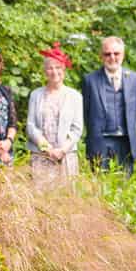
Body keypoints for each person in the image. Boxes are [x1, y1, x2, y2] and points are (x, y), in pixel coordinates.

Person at [81, 36, 136, 175]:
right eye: (107, 54)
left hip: (126, 142)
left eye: (116, 53)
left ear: (123, 55)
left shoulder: (134, 78)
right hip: (100, 142)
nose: (112, 57)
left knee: (124, 188)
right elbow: (86, 112)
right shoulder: (90, 80)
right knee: (99, 188)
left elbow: (135, 110)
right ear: (101, 56)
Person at [27, 43, 84, 184]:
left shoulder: (74, 96)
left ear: (64, 69)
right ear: (45, 71)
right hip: (41, 156)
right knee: (41, 200)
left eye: (58, 67)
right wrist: (47, 149)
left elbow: (77, 129)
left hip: (66, 157)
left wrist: (62, 150)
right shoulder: (36, 95)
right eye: (50, 68)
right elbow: (31, 126)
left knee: (65, 201)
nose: (54, 71)